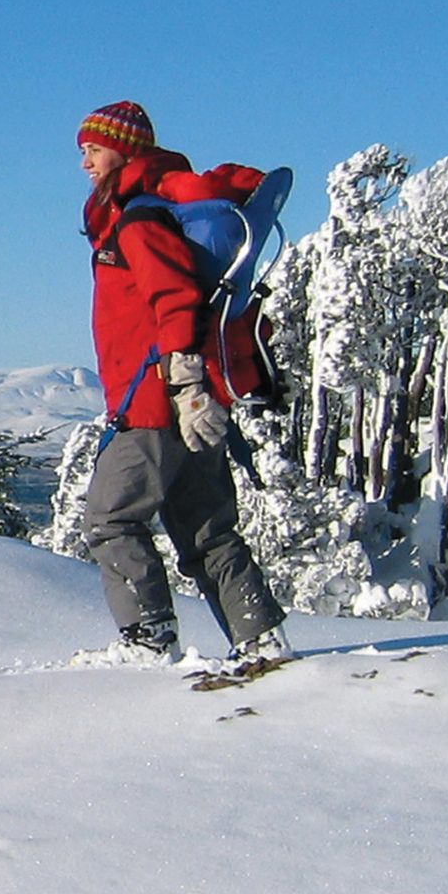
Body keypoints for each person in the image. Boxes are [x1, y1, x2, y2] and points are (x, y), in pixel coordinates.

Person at [76, 100, 289, 667]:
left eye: (94, 149)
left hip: (153, 401)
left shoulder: (141, 218)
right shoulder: (155, 210)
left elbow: (175, 298)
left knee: (110, 518)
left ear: (125, 149)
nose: (85, 163)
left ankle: (150, 639)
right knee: (208, 531)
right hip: (191, 400)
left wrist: (183, 380)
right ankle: (261, 640)